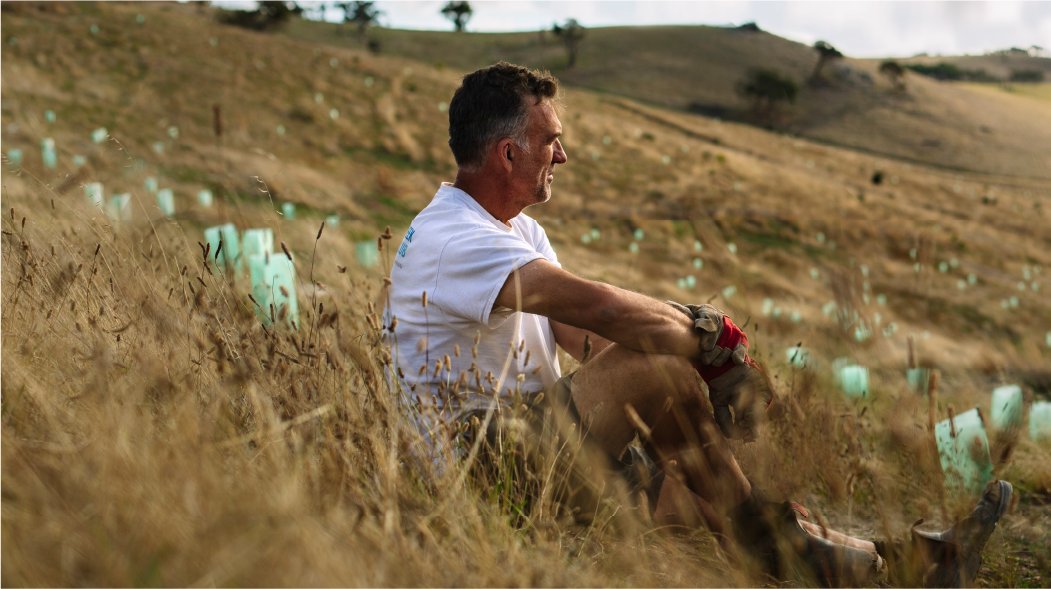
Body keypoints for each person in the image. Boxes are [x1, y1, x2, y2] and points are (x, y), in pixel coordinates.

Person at [383, 61, 1011, 587]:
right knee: (657, 365)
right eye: (551, 140)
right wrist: (714, 344)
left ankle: (897, 565)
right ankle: (794, 553)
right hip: (483, 466)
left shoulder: (517, 230)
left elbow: (588, 339)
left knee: (702, 492)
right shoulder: (454, 238)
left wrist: (693, 376)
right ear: (508, 151)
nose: (563, 154)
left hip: (541, 444)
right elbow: (601, 311)